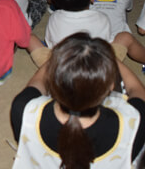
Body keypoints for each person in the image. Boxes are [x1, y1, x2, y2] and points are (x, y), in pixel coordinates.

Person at [11, 33, 145, 168]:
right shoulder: (133, 121)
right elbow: (137, 90)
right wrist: (111, 58)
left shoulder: (24, 109)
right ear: (110, 86)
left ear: (53, 79)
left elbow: (37, 82)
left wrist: (57, 59)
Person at [45, 0, 145, 64]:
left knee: (34, 41)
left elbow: (51, 45)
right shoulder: (101, 18)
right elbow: (105, 47)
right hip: (97, 71)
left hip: (64, 69)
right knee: (126, 37)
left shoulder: (54, 18)